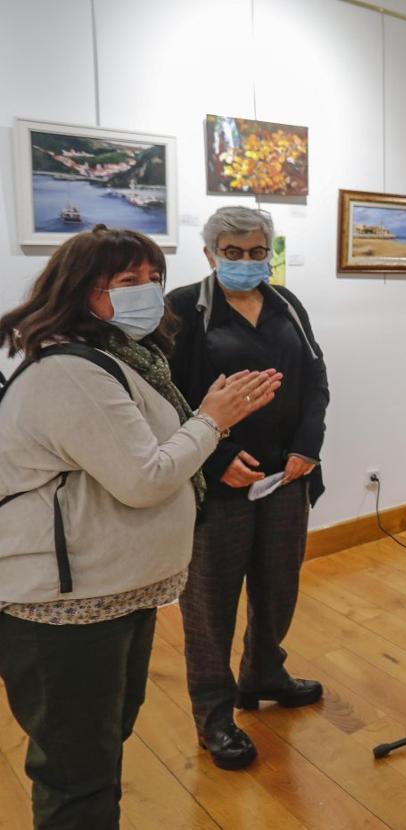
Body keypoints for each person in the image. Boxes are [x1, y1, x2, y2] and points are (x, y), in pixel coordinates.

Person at [0, 226, 278, 827]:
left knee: (104, 742)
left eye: (153, 278)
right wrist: (212, 419)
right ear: (81, 290)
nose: (149, 292)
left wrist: (210, 420)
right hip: (65, 607)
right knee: (77, 772)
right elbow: (146, 477)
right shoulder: (71, 373)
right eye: (129, 282)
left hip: (115, 592)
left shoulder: (124, 361)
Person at [167, 206, 330, 771]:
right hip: (221, 483)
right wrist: (216, 460)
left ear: (269, 253)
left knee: (278, 583)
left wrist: (309, 446)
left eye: (256, 252)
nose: (244, 262)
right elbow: (166, 400)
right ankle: (214, 715)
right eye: (231, 253)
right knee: (210, 604)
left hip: (288, 475)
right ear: (210, 254)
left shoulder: (288, 303)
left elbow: (316, 381)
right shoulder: (184, 309)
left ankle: (264, 672)